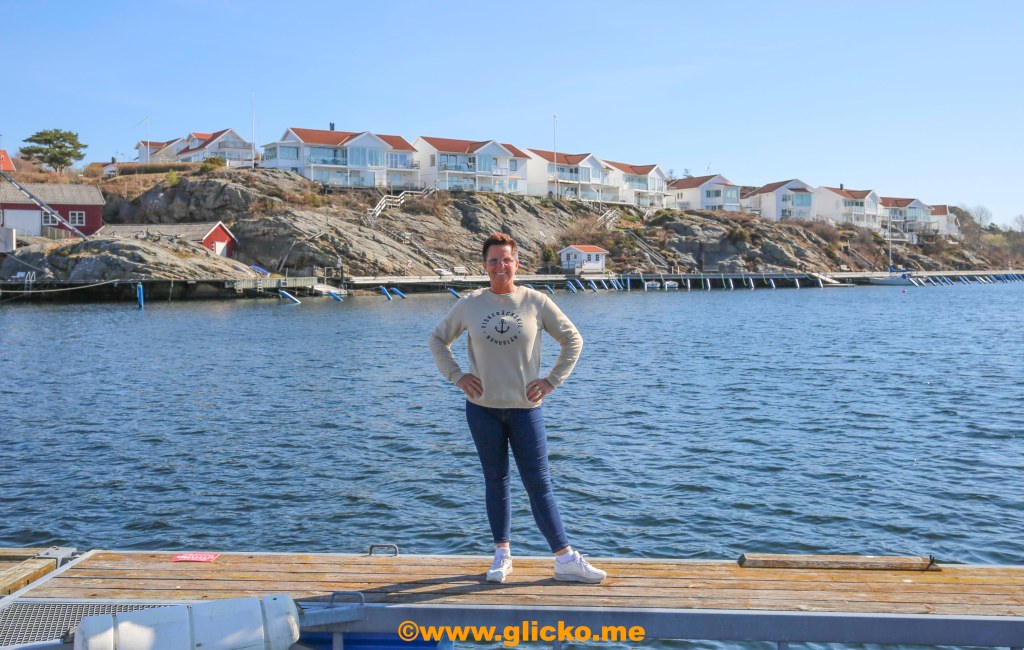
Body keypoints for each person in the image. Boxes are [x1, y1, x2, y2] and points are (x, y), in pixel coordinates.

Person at [428, 233, 606, 584]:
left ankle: (565, 559)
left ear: (517, 263)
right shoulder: (470, 304)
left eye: (506, 259)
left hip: (526, 409)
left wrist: (551, 381)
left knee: (539, 483)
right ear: (484, 265)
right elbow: (437, 339)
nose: (500, 266)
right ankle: (502, 556)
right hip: (482, 409)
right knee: (496, 481)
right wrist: (457, 376)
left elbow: (573, 340)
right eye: (493, 260)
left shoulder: (535, 302)